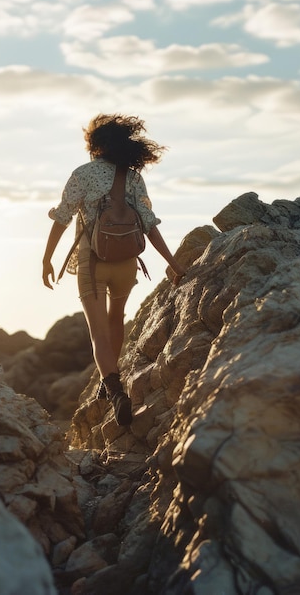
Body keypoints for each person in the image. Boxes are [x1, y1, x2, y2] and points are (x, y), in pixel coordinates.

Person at [42, 114, 186, 426]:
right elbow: (148, 224)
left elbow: (63, 218)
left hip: (92, 263)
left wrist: (47, 259)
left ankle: (115, 389)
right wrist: (175, 265)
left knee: (98, 335)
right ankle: (110, 382)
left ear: (94, 145)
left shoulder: (82, 175)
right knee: (116, 318)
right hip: (126, 264)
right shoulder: (132, 177)